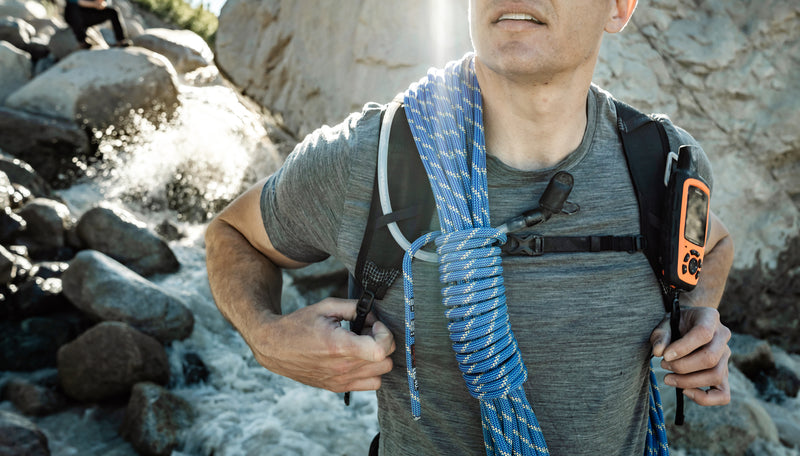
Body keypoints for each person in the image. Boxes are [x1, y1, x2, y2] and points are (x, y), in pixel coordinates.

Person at [205, 1, 735, 455]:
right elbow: (233, 233)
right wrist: (266, 336)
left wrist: (699, 312)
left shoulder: (662, 167)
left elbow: (714, 245)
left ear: (618, 7)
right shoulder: (372, 160)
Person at [64, 0, 130, 49]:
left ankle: (121, 40)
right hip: (74, 15)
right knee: (73, 8)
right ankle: (82, 41)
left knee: (113, 12)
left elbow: (104, 3)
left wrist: (101, 4)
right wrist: (93, 4)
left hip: (90, 14)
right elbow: (74, 1)